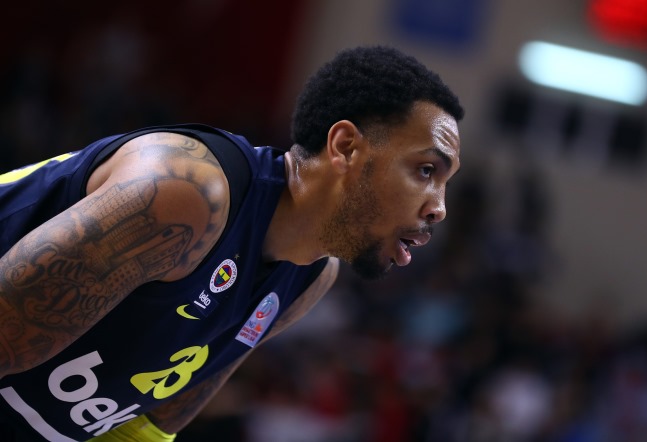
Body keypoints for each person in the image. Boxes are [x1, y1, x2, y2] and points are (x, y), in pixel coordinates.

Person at [0, 45, 464, 441]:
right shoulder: (186, 195)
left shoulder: (309, 278)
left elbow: (141, 429)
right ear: (345, 146)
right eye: (426, 170)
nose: (439, 208)